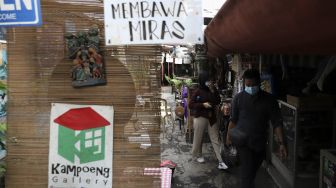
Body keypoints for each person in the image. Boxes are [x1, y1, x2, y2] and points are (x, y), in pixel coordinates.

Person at [226, 69, 287, 188]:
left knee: (251, 173)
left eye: (253, 85)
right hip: (243, 143)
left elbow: (277, 123)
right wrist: (228, 137)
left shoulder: (269, 100)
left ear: (259, 83)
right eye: (247, 85)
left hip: (260, 144)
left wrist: (281, 143)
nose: (250, 88)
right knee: (247, 176)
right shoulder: (238, 98)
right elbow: (233, 120)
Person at [189, 72, 228, 170]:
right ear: (203, 80)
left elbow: (218, 101)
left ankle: (221, 161)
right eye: (207, 80)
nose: (209, 82)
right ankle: (199, 155)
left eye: (210, 80)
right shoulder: (197, 91)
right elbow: (191, 104)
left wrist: (213, 90)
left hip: (211, 117)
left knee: (215, 138)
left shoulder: (212, 89)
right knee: (199, 137)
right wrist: (202, 105)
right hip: (200, 116)